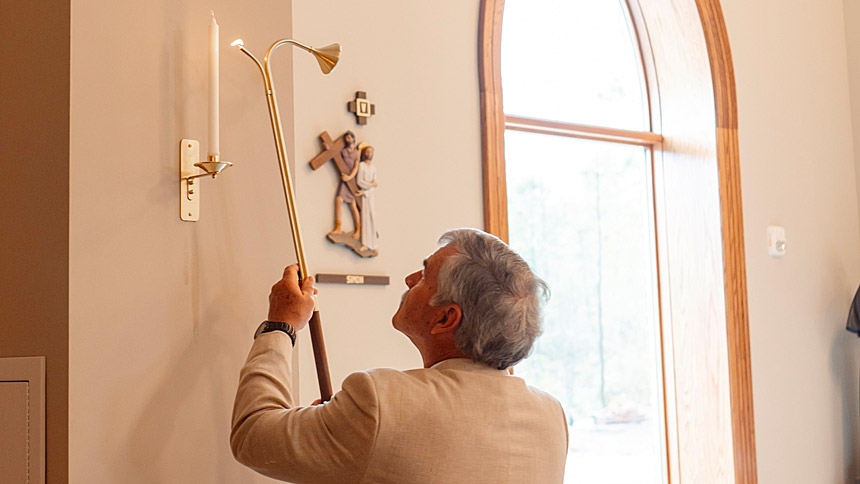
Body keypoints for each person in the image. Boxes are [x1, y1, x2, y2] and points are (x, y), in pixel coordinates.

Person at [231, 228, 568, 484]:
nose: (409, 280)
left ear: (445, 318)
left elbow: (253, 435)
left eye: (424, 275)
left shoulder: (382, 401)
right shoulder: (551, 416)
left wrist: (280, 326)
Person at [329, 130, 361, 239]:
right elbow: (334, 155)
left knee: (352, 204)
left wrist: (350, 177)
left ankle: (358, 229)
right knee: (339, 200)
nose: (348, 139)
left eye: (349, 137)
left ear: (353, 138)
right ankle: (338, 227)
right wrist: (328, 148)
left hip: (351, 180)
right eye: (346, 138)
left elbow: (356, 167)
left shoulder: (356, 153)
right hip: (344, 180)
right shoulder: (343, 151)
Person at [355, 143, 378, 252]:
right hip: (365, 196)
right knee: (365, 218)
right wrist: (369, 187)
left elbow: (375, 184)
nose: (369, 154)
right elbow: (360, 181)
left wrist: (367, 190)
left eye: (371, 152)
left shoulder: (373, 168)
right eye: (367, 151)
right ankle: (365, 243)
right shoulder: (362, 166)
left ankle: (373, 244)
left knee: (372, 218)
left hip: (370, 195)